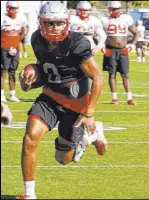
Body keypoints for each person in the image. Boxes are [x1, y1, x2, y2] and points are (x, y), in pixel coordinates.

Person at [18, 2, 107, 199]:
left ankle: (88, 136)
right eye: (50, 23)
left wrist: (89, 113)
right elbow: (46, 69)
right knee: (30, 138)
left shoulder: (77, 42)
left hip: (75, 104)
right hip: (49, 97)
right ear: (41, 22)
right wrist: (29, 80)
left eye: (59, 23)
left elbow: (98, 77)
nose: (55, 28)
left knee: (63, 159)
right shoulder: (36, 39)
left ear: (66, 22)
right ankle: (29, 194)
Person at [101, 1, 139, 105]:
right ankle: (114, 97)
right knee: (111, 74)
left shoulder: (126, 18)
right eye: (114, 9)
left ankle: (129, 98)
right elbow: (98, 34)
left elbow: (136, 33)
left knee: (125, 74)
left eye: (118, 8)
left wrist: (132, 44)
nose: (117, 11)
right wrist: (101, 45)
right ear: (110, 10)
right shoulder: (104, 20)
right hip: (110, 49)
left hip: (123, 50)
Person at [1, 1, 28, 102]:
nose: (13, 10)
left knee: (12, 72)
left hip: (15, 48)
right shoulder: (2, 17)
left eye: (14, 8)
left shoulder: (21, 18)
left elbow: (25, 29)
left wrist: (18, 40)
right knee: (3, 72)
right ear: (7, 8)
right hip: (4, 47)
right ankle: (2, 94)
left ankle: (12, 95)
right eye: (11, 8)